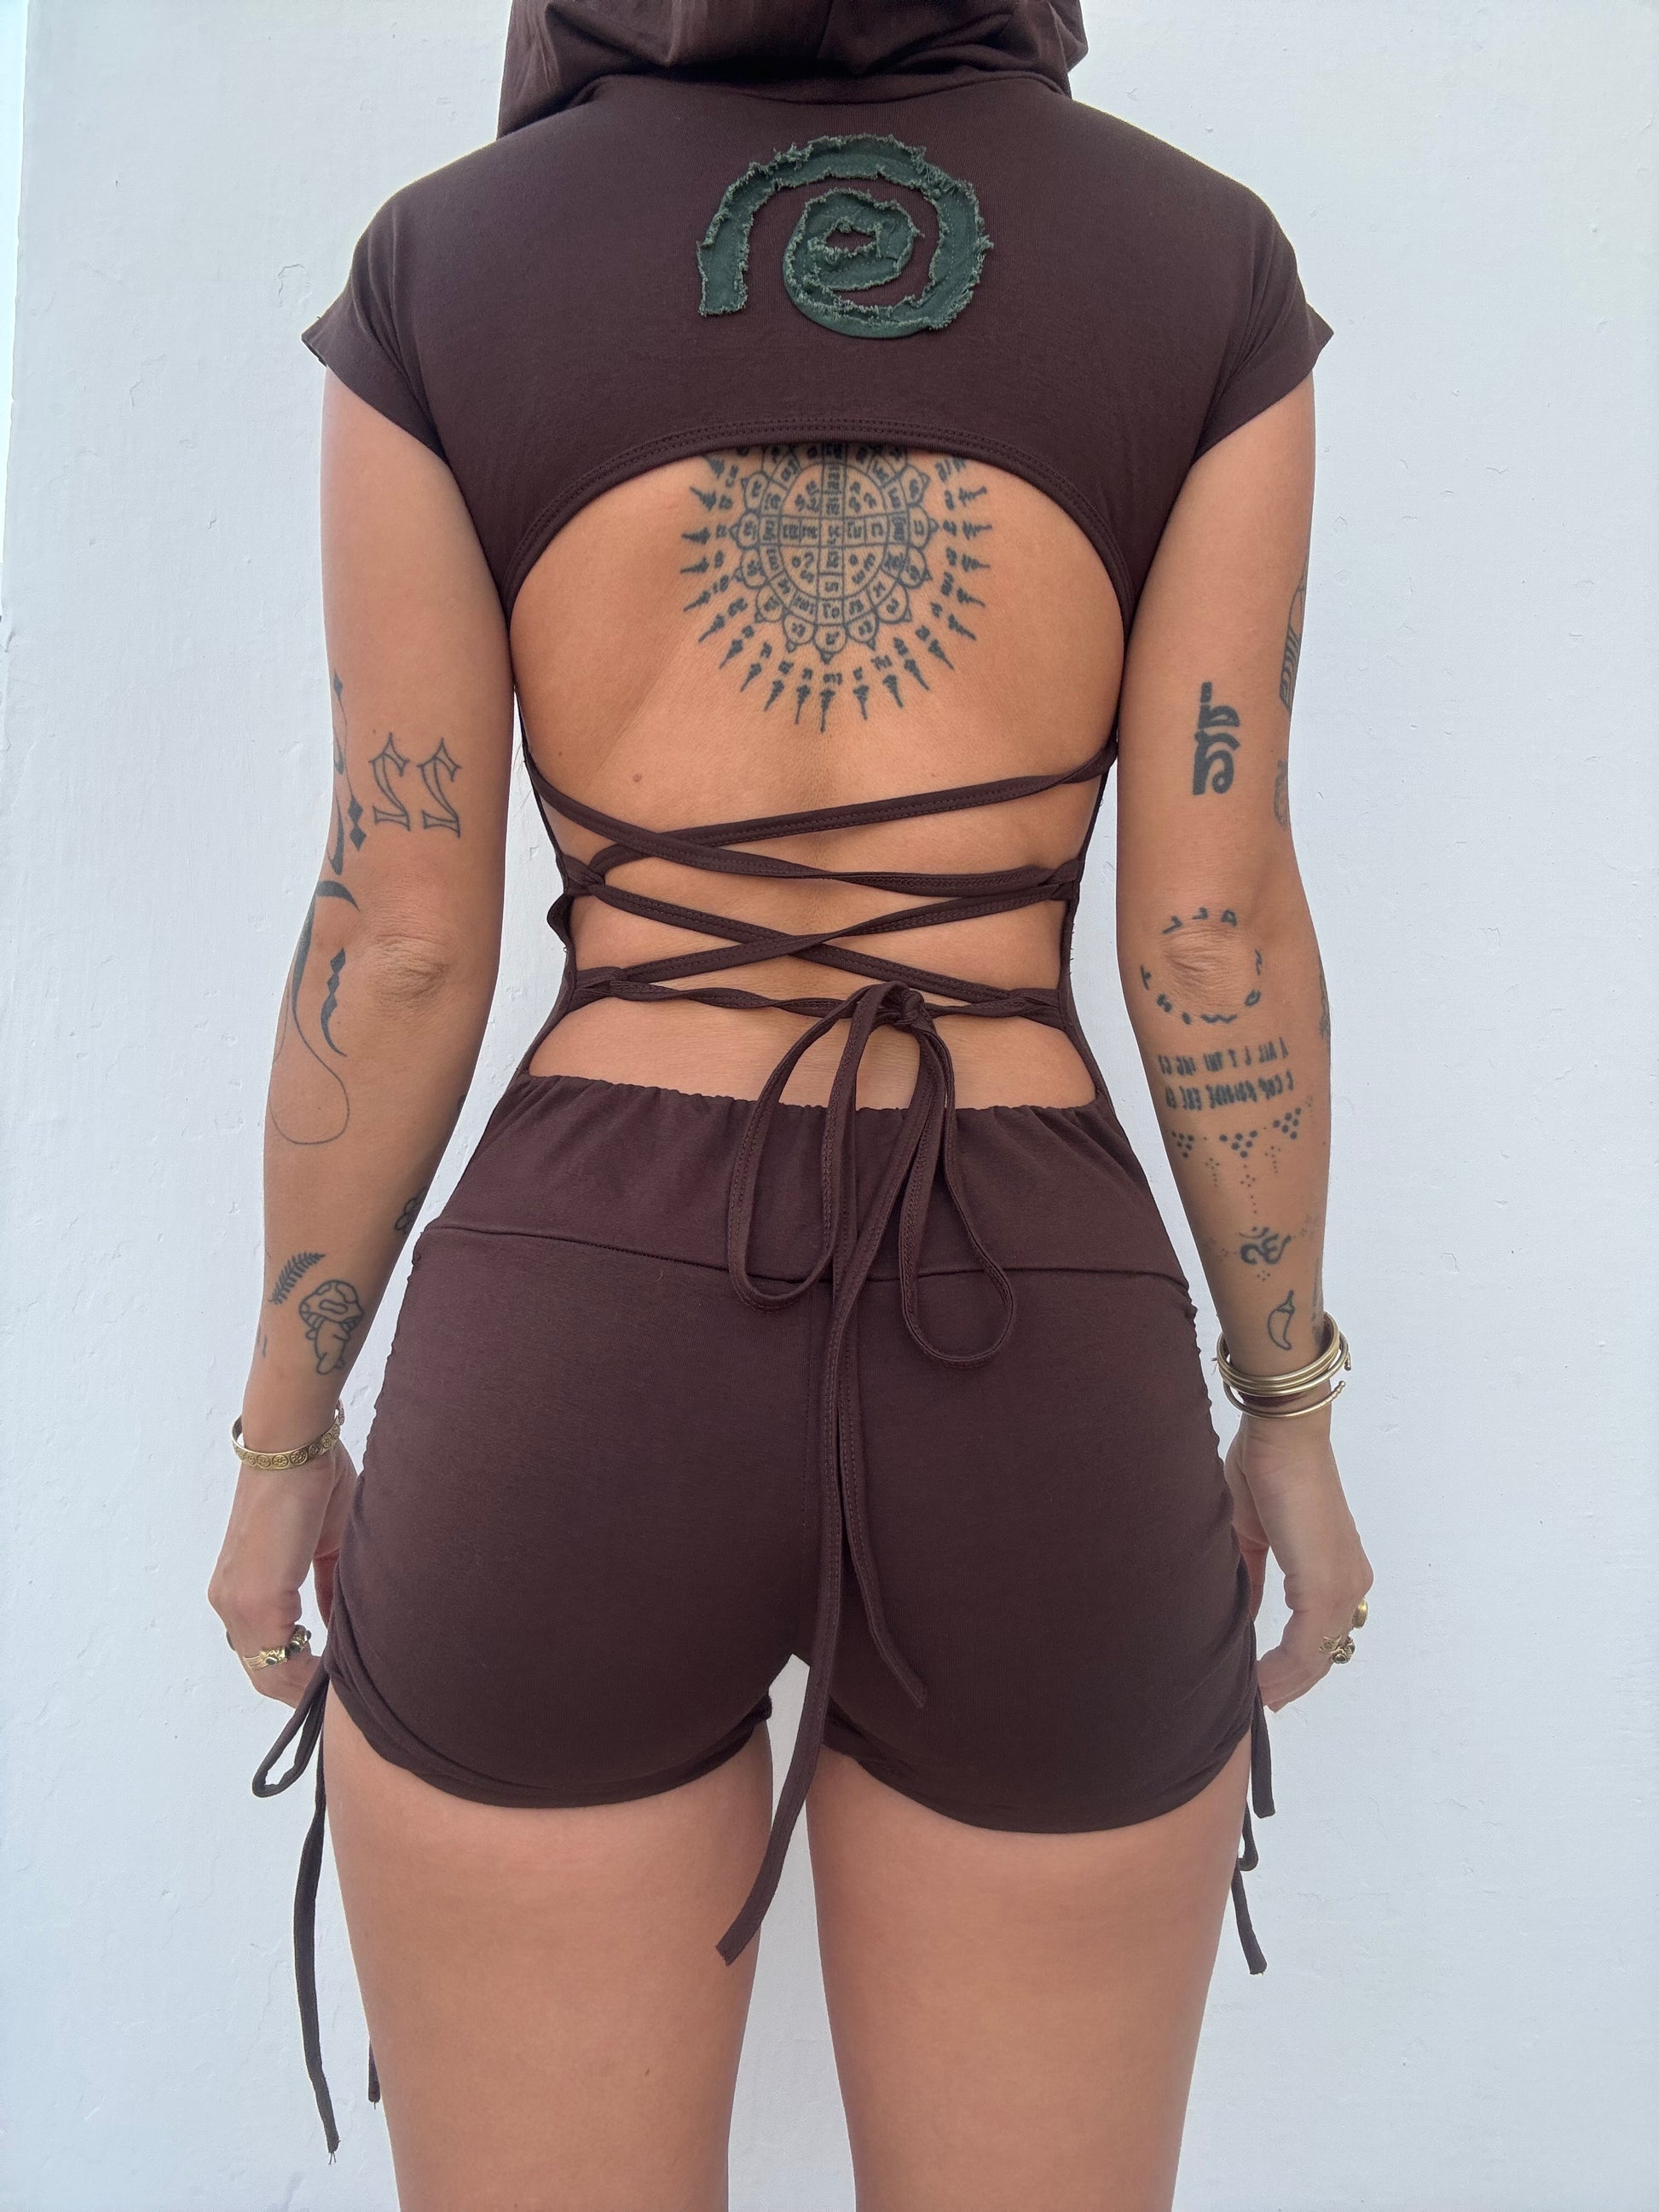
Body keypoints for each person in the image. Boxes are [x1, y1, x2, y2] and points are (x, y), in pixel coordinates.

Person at [207, 3, 1373, 2204]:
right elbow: (1211, 935)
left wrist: (284, 1442)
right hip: (1028, 1328)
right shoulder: (1200, 264)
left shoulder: (446, 268)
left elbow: (400, 932)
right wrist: (1287, 1408)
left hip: (577, 1330)